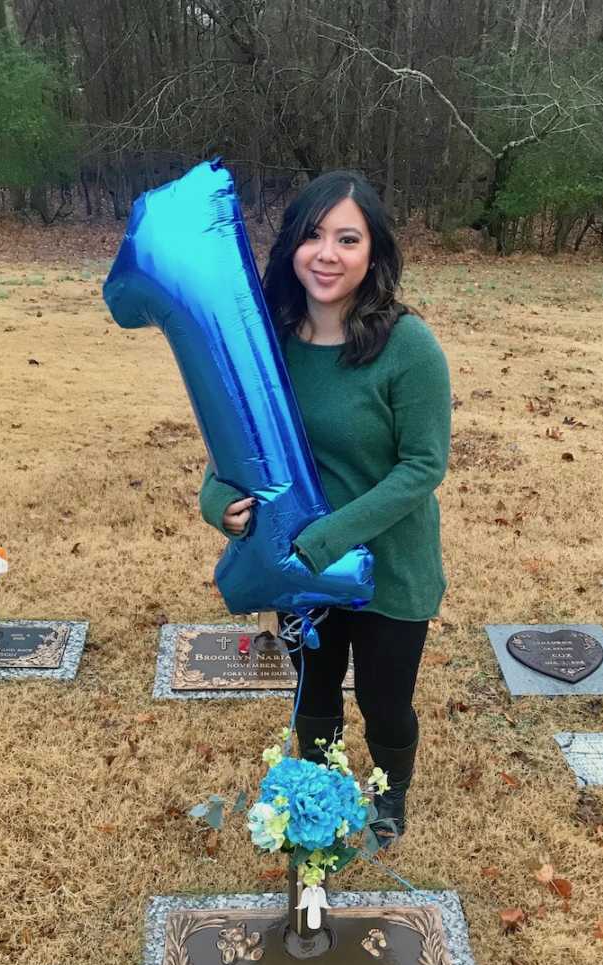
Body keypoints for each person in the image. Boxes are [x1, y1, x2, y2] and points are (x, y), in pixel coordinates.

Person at [199, 170, 451, 846]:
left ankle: (390, 793)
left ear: (373, 252)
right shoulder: (270, 348)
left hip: (390, 565)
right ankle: (317, 793)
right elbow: (232, 453)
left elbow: (423, 466)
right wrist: (218, 502)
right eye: (313, 236)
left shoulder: (408, 347)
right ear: (292, 248)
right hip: (299, 571)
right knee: (313, 694)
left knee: (383, 701)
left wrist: (327, 538)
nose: (327, 254)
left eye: (347, 238)